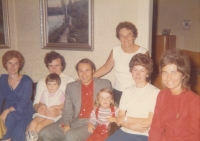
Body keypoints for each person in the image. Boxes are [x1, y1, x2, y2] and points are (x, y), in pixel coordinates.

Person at [38, 58, 112, 141]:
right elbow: (67, 110)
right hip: (74, 120)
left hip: (93, 123)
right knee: (44, 133)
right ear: (77, 72)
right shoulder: (71, 86)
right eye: (80, 71)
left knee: (70, 137)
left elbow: (111, 106)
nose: (84, 74)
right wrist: (66, 124)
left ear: (93, 71)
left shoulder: (104, 84)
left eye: (87, 70)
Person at [149, 49, 200, 141]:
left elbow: (195, 136)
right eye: (165, 72)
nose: (169, 78)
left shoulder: (194, 100)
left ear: (183, 74)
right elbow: (156, 128)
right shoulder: (162, 95)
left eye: (174, 72)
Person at [106, 53, 160, 141]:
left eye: (142, 70)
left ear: (148, 73)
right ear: (131, 71)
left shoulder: (155, 92)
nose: (138, 74)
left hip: (143, 134)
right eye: (135, 70)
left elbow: (150, 121)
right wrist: (131, 126)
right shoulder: (126, 91)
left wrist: (125, 118)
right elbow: (120, 118)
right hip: (124, 131)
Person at [93, 21, 148, 105]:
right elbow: (106, 68)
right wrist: (88, 77)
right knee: (118, 116)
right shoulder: (116, 50)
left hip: (136, 91)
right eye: (122, 36)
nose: (125, 38)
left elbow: (146, 74)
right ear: (119, 37)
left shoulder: (143, 52)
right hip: (118, 93)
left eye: (128, 35)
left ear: (134, 36)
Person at [0, 50, 34, 141]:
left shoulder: (27, 80)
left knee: (11, 117)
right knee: (16, 126)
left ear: (20, 65)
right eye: (9, 63)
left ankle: (5, 139)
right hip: (8, 110)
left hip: (24, 110)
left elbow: (24, 102)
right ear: (5, 64)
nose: (12, 66)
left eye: (16, 63)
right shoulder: (2, 79)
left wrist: (6, 111)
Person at [33, 51, 75, 120]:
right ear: (47, 66)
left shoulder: (70, 81)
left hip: (62, 117)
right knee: (32, 126)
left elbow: (73, 105)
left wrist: (59, 112)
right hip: (43, 114)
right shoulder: (41, 82)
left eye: (57, 65)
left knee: (42, 129)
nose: (54, 69)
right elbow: (36, 102)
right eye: (51, 66)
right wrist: (38, 108)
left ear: (62, 65)